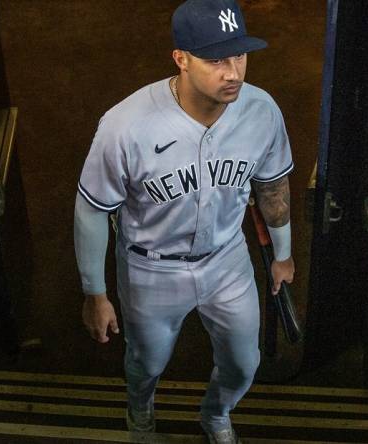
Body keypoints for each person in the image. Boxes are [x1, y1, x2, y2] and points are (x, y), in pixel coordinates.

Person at [74, 0, 294, 442]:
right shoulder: (126, 125)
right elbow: (92, 208)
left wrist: (283, 255)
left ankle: (216, 414)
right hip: (151, 267)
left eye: (240, 55)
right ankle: (140, 415)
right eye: (216, 59)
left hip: (228, 259)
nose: (233, 72)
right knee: (147, 361)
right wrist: (94, 292)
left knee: (243, 362)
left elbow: (273, 187)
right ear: (181, 59)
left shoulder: (262, 110)